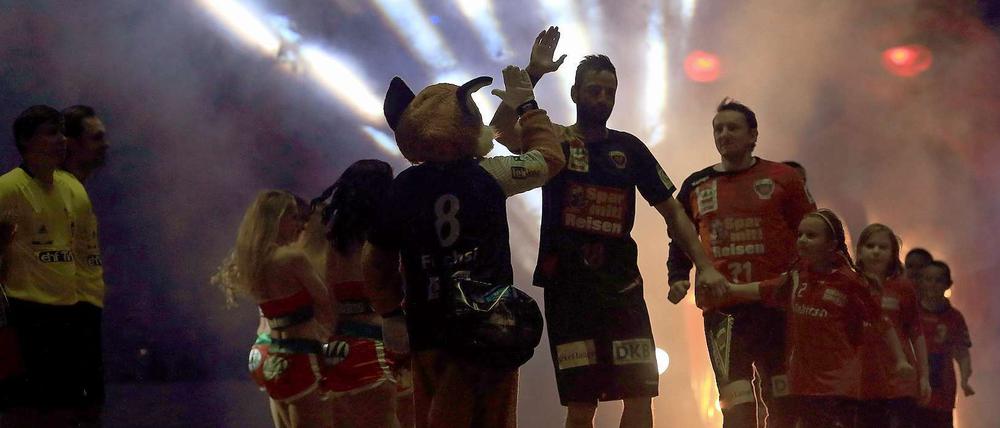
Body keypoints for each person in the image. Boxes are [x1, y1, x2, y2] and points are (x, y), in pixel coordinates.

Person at [490, 27, 727, 428]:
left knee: (639, 397)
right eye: (594, 90)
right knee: (582, 405)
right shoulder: (555, 142)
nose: (602, 98)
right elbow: (499, 131)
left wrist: (704, 265)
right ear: (576, 94)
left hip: (622, 290)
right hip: (569, 290)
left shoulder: (629, 148)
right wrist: (532, 74)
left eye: (609, 92)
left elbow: (673, 212)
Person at [365, 65, 565, 428]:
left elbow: (376, 260)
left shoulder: (402, 188)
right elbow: (550, 159)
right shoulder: (491, 174)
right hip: (490, 329)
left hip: (427, 329)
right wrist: (529, 109)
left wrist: (390, 312)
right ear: (467, 121)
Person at [666, 99, 816, 428]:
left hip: (777, 309)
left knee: (783, 407)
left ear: (753, 136)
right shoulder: (696, 185)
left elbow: (814, 233)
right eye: (718, 129)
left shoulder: (783, 178)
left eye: (732, 128)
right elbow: (681, 234)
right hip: (723, 312)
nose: (724, 134)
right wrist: (678, 276)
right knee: (736, 409)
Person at [702, 209, 914, 428]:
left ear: (832, 244)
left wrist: (900, 360)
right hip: (802, 385)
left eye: (811, 236)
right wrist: (729, 290)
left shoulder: (850, 282)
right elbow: (764, 289)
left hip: (838, 388)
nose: (802, 240)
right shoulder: (797, 276)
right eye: (800, 235)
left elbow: (881, 322)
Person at [213, 190, 338, 428]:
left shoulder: (251, 262)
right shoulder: (292, 258)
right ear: (276, 220)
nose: (299, 224)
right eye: (292, 216)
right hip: (301, 358)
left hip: (271, 359)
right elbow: (326, 305)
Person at [0, 105, 84, 427]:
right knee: (25, 412)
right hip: (26, 319)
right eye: (51, 133)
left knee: (65, 412)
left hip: (66, 315)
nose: (62, 140)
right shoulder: (7, 189)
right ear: (25, 140)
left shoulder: (69, 188)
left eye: (62, 132)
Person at [301, 159, 402, 428]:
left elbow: (330, 298)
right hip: (383, 346)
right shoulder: (387, 241)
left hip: (339, 347)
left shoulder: (336, 237)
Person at [60, 104, 111, 426]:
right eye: (97, 138)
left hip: (81, 318)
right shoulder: (57, 192)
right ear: (73, 143)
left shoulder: (76, 190)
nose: (105, 144)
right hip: (64, 324)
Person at [855, 223, 930, 428]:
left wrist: (924, 376)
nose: (876, 252)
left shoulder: (902, 287)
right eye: (870, 246)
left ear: (892, 253)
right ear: (859, 251)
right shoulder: (849, 285)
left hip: (900, 382)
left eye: (882, 247)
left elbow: (917, 333)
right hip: (862, 382)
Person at [914, 260, 974, 428]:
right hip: (914, 392)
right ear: (920, 282)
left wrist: (965, 380)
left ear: (948, 284)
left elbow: (962, 352)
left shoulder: (954, 317)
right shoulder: (912, 313)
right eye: (928, 279)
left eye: (938, 280)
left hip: (943, 392)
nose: (932, 284)